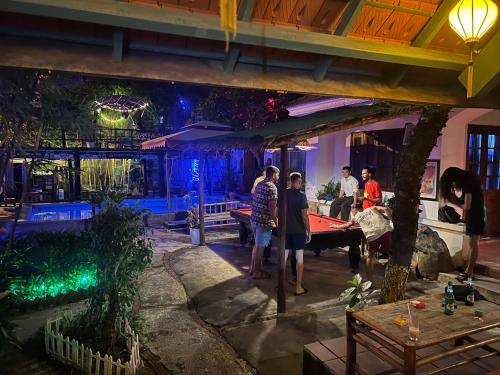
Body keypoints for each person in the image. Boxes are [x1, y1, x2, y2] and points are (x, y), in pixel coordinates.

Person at [439, 167, 485, 281]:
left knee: (473, 243)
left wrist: (452, 202)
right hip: (474, 213)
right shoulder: (470, 179)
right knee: (471, 243)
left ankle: (469, 271)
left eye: (453, 182)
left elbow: (467, 206)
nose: (454, 185)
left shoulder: (469, 183)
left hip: (476, 214)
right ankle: (468, 270)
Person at [331, 203, 392, 284]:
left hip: (373, 236)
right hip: (386, 231)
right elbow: (386, 209)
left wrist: (335, 226)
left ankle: (369, 282)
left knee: (370, 257)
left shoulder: (356, 217)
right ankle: (393, 280)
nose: (352, 211)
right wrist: (389, 218)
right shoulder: (372, 208)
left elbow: (346, 225)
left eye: (352, 209)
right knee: (391, 254)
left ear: (355, 209)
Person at [250, 165, 279, 279]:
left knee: (256, 246)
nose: (278, 177)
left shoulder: (260, 183)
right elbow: (272, 209)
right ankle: (257, 272)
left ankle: (253, 269)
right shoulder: (272, 187)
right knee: (260, 247)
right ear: (273, 175)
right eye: (278, 174)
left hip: (254, 219)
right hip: (263, 222)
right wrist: (277, 223)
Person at [285, 172, 311, 296]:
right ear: (295, 181)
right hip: (298, 231)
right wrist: (309, 231)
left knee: (283, 258)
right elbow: (305, 217)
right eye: (299, 181)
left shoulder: (283, 193)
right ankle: (298, 287)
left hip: (285, 231)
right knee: (299, 258)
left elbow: (279, 211)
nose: (300, 183)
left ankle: (281, 285)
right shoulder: (302, 196)